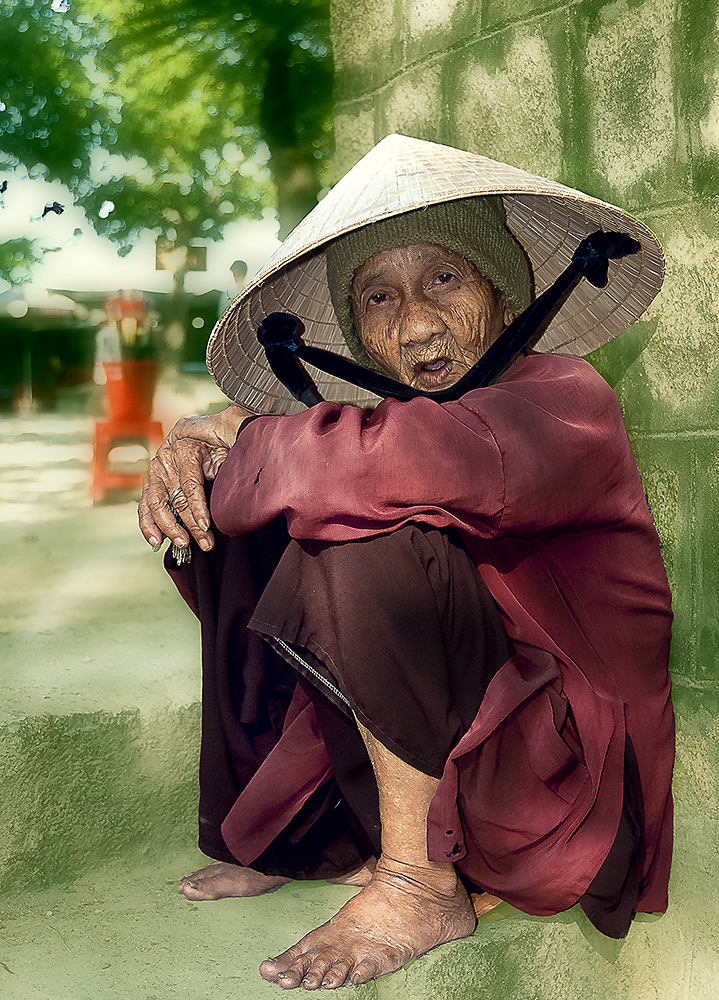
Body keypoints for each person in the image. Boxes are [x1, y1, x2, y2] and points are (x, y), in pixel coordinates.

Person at [138, 135, 674, 991]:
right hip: (455, 754)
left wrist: (237, 433)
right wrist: (203, 450)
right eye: (378, 298)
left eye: (444, 280)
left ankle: (418, 882)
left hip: (557, 788)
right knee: (239, 517)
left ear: (501, 294)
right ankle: (305, 835)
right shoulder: (398, 421)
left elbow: (377, 467)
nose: (416, 324)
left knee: (357, 517)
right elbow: (305, 478)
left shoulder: (564, 396)